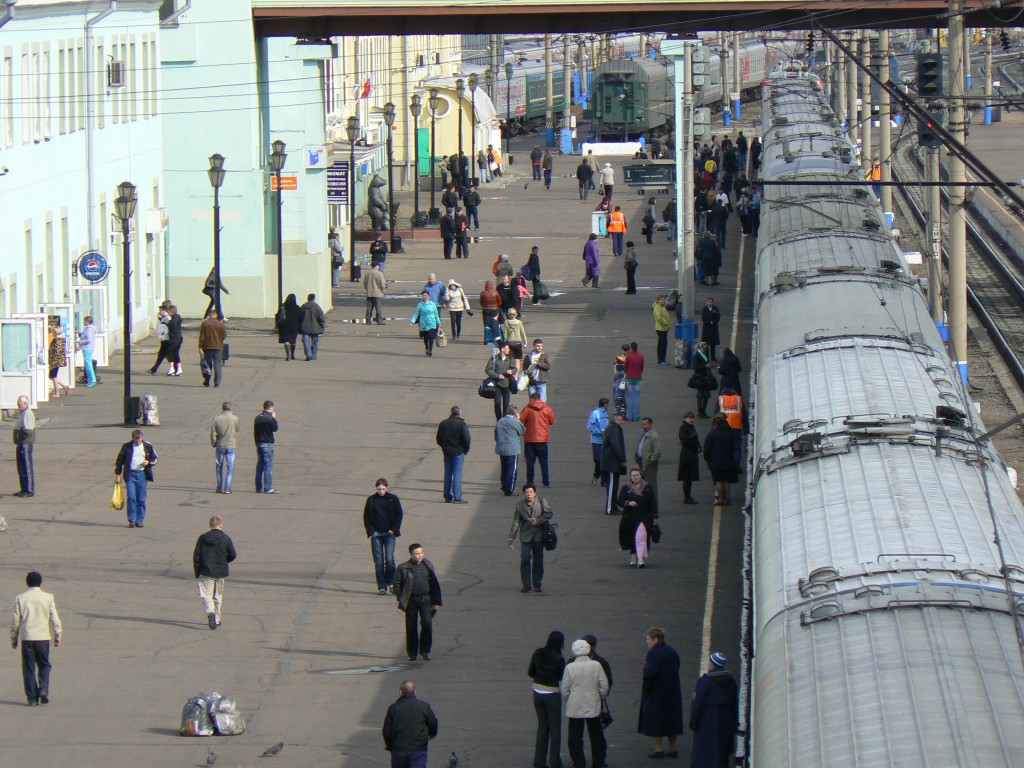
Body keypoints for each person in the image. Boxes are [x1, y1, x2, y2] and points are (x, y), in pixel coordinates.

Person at [10, 571, 62, 706]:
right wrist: (57, 635)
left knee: (28, 668)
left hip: (27, 637)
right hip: (43, 637)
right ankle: (43, 688)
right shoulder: (48, 597)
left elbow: (16, 621)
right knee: (44, 665)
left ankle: (32, 698)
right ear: (40, 583)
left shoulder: (20, 598)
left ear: (27, 583)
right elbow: (54, 618)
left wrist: (13, 638)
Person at [562, 639, 609, 768]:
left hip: (575, 706)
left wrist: (569, 700)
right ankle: (598, 762)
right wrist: (599, 697)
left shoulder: (570, 667)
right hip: (593, 705)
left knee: (575, 736)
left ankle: (579, 762)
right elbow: (604, 686)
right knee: (596, 735)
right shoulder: (596, 665)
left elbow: (565, 689)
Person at [639, 627, 684, 760]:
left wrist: (647, 688)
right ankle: (673, 748)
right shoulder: (672, 652)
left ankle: (659, 749)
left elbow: (650, 673)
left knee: (656, 718)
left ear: (655, 639)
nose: (647, 643)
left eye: (648, 640)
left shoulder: (655, 654)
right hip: (673, 690)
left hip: (658, 691)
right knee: (671, 719)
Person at [689, 652, 739, 768]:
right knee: (721, 751)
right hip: (726, 722)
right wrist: (734, 725)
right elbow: (735, 704)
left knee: (704, 752)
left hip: (707, 721)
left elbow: (697, 704)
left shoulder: (705, 682)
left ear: (712, 665)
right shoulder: (731, 682)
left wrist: (693, 723)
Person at [394, 544, 442, 662]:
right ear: (411, 554)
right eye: (417, 554)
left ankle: (425, 650)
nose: (420, 555)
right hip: (411, 600)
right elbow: (396, 584)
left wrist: (435, 601)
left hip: (425, 599)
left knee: (427, 624)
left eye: (421, 553)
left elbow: (434, 583)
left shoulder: (428, 565)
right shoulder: (403, 567)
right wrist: (402, 598)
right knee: (411, 626)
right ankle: (412, 653)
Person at [528, 631, 566, 768]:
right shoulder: (559, 659)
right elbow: (562, 677)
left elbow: (530, 672)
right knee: (555, 729)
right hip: (552, 693)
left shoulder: (537, 653)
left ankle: (539, 761)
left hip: (537, 692)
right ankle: (555, 761)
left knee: (542, 727)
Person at [193, 515, 237, 630]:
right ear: (221, 525)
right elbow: (233, 555)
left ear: (210, 526)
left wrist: (197, 571)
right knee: (218, 595)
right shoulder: (225, 538)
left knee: (207, 594)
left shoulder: (202, 538)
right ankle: (217, 619)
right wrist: (224, 561)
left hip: (206, 570)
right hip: (220, 571)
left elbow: (196, 556)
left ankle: (210, 612)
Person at [508, 483, 553, 593]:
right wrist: (511, 536)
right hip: (525, 536)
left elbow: (549, 514)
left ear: (535, 493)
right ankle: (526, 584)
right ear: (524, 494)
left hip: (538, 536)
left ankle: (537, 583)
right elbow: (516, 521)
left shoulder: (542, 501)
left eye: (531, 492)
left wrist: (538, 521)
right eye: (526, 492)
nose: (529, 494)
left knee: (538, 560)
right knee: (525, 559)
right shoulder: (520, 505)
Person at [382, 680, 439, 767]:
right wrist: (432, 734)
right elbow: (432, 722)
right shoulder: (424, 706)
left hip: (398, 749)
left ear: (401, 692)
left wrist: (390, 746)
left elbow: (386, 730)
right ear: (415, 692)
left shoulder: (393, 708)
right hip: (418, 749)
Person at [363, 478, 404, 595]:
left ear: (387, 488)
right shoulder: (371, 500)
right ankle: (382, 586)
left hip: (389, 534)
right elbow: (366, 517)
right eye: (379, 489)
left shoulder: (393, 499)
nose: (381, 491)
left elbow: (399, 514)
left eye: (383, 489)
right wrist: (372, 531)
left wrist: (394, 529)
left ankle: (391, 583)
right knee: (379, 562)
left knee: (390, 560)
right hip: (376, 535)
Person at [114, 429, 158, 528]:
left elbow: (154, 458)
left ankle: (140, 520)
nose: (137, 441)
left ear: (142, 438)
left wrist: (148, 463)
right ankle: (132, 519)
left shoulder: (147, 446)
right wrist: (118, 474)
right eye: (135, 439)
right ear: (132, 438)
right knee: (131, 497)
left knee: (141, 499)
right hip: (130, 475)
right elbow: (119, 461)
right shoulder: (127, 447)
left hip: (142, 474)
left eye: (139, 439)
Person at [618, 467, 657, 567]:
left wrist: (655, 517)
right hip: (630, 518)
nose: (635, 477)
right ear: (630, 477)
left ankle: (640, 559)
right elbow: (620, 501)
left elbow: (653, 503)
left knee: (641, 537)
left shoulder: (648, 487)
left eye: (637, 475)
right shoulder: (626, 488)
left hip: (644, 517)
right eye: (633, 475)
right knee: (632, 537)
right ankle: (633, 555)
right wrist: (628, 503)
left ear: (641, 476)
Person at [435, 405, 471, 504]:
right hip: (458, 452)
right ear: (459, 413)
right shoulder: (461, 424)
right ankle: (458, 497)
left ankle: (447, 496)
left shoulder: (443, 423)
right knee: (457, 474)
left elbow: (438, 438)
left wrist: (444, 447)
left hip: (447, 452)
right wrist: (465, 450)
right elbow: (467, 439)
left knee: (447, 474)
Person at [520, 392, 556, 488]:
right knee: (544, 462)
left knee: (530, 463)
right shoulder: (547, 409)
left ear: (532, 399)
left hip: (530, 439)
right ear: (540, 399)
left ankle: (530, 481)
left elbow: (521, 420)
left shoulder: (527, 409)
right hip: (542, 439)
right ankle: (546, 481)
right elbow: (552, 421)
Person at [703, 415, 738, 506]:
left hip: (715, 461)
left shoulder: (712, 434)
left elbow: (706, 448)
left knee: (718, 480)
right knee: (726, 480)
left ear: (714, 424)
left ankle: (721, 499)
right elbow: (732, 447)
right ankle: (728, 498)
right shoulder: (728, 434)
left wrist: (707, 458)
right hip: (727, 460)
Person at [600, 411, 627, 514]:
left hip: (611, 461)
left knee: (613, 485)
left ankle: (613, 507)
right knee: (612, 486)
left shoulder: (611, 428)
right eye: (620, 420)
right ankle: (610, 508)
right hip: (612, 462)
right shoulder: (614, 428)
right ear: (615, 420)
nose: (622, 422)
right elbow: (617, 445)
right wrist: (622, 459)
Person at [495, 404, 525, 497]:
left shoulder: (500, 421)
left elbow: (496, 434)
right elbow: (522, 431)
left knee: (504, 468)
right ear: (514, 414)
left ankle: (504, 486)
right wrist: (519, 420)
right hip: (512, 448)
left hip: (501, 447)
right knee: (512, 470)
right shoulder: (515, 422)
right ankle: (510, 489)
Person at [210, 402, 239, 494]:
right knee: (230, 467)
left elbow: (213, 433)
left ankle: (219, 487)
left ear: (222, 408)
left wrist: (214, 442)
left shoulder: (216, 419)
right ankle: (227, 488)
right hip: (231, 445)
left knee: (219, 467)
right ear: (231, 408)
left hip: (220, 445)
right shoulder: (235, 418)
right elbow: (237, 429)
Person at [636, 417, 663, 513]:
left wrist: (650, 461)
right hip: (642, 465)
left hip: (649, 466)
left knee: (651, 487)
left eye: (645, 424)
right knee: (643, 487)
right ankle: (645, 507)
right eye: (642, 424)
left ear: (650, 425)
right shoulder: (644, 435)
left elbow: (657, 451)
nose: (643, 426)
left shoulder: (654, 436)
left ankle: (654, 509)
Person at [486, 342, 517, 421]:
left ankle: (505, 419)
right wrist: (498, 376)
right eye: (507, 348)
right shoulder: (494, 359)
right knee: (497, 403)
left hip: (507, 385)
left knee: (506, 404)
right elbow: (488, 370)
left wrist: (512, 371)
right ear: (502, 349)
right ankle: (499, 419)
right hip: (496, 385)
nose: (508, 350)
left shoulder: (510, 359)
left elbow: (515, 369)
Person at [254, 401, 279, 494]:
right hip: (267, 444)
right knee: (268, 466)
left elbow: (255, 432)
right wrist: (273, 418)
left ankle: (258, 487)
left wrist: (256, 442)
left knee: (260, 466)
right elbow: (275, 428)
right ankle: (268, 488)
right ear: (271, 408)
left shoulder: (257, 418)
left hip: (259, 443)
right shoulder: (269, 418)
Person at [13, 395, 35, 497]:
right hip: (21, 444)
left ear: (26, 403)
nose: (18, 405)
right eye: (18, 404)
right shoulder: (22, 413)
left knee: (26, 467)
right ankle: (24, 489)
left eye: (20, 404)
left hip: (25, 444)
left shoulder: (27, 413)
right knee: (21, 467)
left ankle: (29, 490)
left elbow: (27, 431)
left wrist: (19, 437)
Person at [678, 412, 701, 505]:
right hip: (686, 455)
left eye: (692, 418)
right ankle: (687, 497)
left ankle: (688, 496)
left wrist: (699, 446)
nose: (691, 419)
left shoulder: (691, 427)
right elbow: (685, 440)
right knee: (687, 478)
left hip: (691, 454)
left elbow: (695, 439)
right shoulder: (683, 428)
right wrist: (693, 439)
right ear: (685, 418)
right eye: (689, 418)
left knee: (689, 478)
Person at [198, 310, 226, 387]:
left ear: (209, 315)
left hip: (207, 347)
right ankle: (217, 382)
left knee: (207, 365)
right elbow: (224, 336)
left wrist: (200, 346)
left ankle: (207, 381)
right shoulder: (220, 324)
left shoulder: (205, 324)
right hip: (218, 347)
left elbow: (202, 337)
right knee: (218, 365)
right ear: (216, 315)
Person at [410, 290, 441, 357]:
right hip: (423, 323)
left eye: (426, 295)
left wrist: (439, 322)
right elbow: (416, 314)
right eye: (423, 295)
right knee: (425, 337)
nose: (424, 297)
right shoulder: (420, 305)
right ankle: (426, 347)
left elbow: (436, 314)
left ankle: (430, 350)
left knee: (431, 336)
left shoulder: (433, 304)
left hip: (432, 322)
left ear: (429, 296)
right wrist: (412, 322)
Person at [586, 398, 610, 486]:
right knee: (598, 460)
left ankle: (603, 480)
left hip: (605, 440)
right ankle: (596, 476)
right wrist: (599, 432)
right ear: (605, 405)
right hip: (597, 441)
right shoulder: (595, 413)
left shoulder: (606, 413)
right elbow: (589, 426)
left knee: (605, 460)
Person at [300, 293, 326, 361]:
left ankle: (308, 354)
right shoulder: (316, 307)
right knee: (315, 342)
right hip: (315, 328)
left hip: (305, 327)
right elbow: (321, 317)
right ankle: (314, 355)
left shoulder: (303, 307)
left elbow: (299, 317)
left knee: (306, 342)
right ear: (314, 299)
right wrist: (322, 325)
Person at [276, 293, 303, 359]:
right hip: (294, 326)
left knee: (286, 340)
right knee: (293, 340)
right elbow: (301, 317)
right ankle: (292, 354)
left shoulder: (283, 306)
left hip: (284, 326)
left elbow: (278, 315)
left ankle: (287, 354)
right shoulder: (297, 307)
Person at [47, 322, 69, 399]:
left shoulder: (58, 340)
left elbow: (57, 352)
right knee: (52, 376)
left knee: (53, 376)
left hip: (55, 361)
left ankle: (57, 392)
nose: (51, 333)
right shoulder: (59, 339)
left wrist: (51, 359)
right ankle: (64, 386)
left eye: (52, 331)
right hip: (57, 360)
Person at [502, 308, 528, 375]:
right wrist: (525, 342)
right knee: (517, 360)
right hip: (517, 343)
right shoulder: (519, 322)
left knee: (509, 359)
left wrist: (503, 343)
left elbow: (504, 334)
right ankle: (516, 375)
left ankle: (510, 373)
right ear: (516, 314)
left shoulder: (506, 322)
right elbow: (523, 333)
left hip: (509, 342)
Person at [623, 341, 644, 422]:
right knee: (636, 397)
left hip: (629, 378)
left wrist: (627, 372)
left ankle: (629, 416)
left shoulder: (629, 356)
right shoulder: (641, 357)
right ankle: (636, 416)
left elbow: (625, 368)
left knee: (629, 397)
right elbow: (641, 368)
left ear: (631, 348)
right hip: (638, 378)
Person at [147, 307, 171, 376]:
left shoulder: (167, 318)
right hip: (163, 339)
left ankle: (175, 367)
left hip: (166, 339)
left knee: (164, 354)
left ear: (164, 311)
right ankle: (154, 369)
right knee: (162, 354)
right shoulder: (164, 317)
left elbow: (168, 327)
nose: (159, 312)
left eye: (160, 310)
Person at [693, 341, 714, 419]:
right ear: (701, 348)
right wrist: (705, 366)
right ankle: (700, 411)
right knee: (701, 395)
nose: (705, 349)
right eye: (704, 348)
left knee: (706, 395)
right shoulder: (697, 355)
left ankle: (703, 411)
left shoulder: (704, 354)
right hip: (699, 377)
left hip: (705, 376)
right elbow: (696, 367)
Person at [78, 315, 98, 386]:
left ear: (87, 321)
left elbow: (89, 339)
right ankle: (91, 380)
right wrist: (80, 334)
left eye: (84, 321)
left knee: (88, 365)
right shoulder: (89, 329)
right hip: (88, 348)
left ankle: (92, 380)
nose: (83, 322)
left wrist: (80, 342)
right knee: (88, 364)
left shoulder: (89, 329)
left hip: (87, 348)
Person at [165, 304, 183, 376]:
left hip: (173, 339)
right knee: (175, 353)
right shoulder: (178, 317)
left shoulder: (172, 321)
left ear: (171, 311)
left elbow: (172, 329)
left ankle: (172, 368)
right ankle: (179, 369)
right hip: (179, 338)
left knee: (168, 352)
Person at [653, 296, 671, 365]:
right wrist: (666, 323)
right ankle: (660, 360)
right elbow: (659, 318)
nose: (663, 301)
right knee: (662, 344)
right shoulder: (657, 308)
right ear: (658, 300)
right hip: (660, 328)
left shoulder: (663, 307)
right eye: (661, 299)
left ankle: (662, 359)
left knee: (663, 344)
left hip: (664, 328)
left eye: (663, 299)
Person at [702, 296, 721, 361]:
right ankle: (706, 357)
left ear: (712, 302)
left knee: (713, 344)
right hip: (706, 329)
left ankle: (713, 357)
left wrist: (714, 322)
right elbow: (703, 318)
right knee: (706, 344)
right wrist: (709, 322)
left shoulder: (716, 308)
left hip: (713, 328)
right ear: (706, 302)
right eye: (708, 302)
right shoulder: (704, 309)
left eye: (711, 302)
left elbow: (718, 317)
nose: (709, 303)